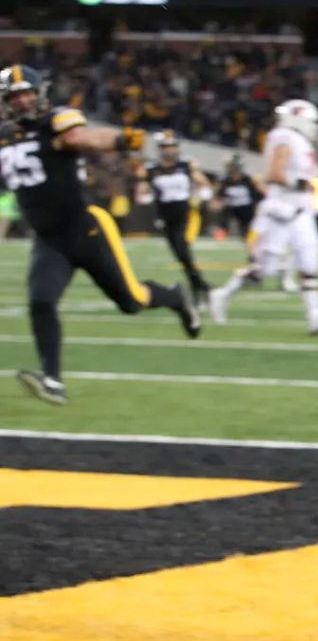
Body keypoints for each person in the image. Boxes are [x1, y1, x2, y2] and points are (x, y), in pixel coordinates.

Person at [0, 64, 199, 405]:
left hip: (86, 229)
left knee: (132, 301)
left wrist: (122, 139)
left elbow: (84, 137)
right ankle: (53, 379)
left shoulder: (57, 122)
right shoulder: (4, 136)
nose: (23, 101)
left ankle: (175, 298)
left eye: (28, 93)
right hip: (49, 240)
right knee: (41, 301)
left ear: (40, 93)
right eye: (15, 96)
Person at [208, 99, 318, 335]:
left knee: (309, 264)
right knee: (264, 270)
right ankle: (222, 294)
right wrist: (301, 184)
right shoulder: (284, 136)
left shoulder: (300, 141)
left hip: (301, 211)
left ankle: (316, 316)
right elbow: (274, 173)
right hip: (281, 211)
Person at [142, 130, 211, 302]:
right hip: (165, 217)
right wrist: (145, 196)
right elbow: (142, 191)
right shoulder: (151, 169)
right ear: (160, 148)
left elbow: (204, 185)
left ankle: (198, 288)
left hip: (185, 214)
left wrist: (199, 197)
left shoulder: (186, 165)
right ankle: (200, 285)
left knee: (182, 250)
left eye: (172, 146)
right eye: (166, 146)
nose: (169, 150)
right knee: (181, 255)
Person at [215, 155, 263, 240]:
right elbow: (220, 194)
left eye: (234, 167)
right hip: (231, 206)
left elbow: (257, 193)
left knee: (248, 225)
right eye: (231, 167)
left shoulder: (248, 179)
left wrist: (258, 205)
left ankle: (250, 236)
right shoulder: (225, 179)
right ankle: (221, 233)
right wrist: (217, 201)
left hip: (246, 207)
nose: (232, 170)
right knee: (224, 215)